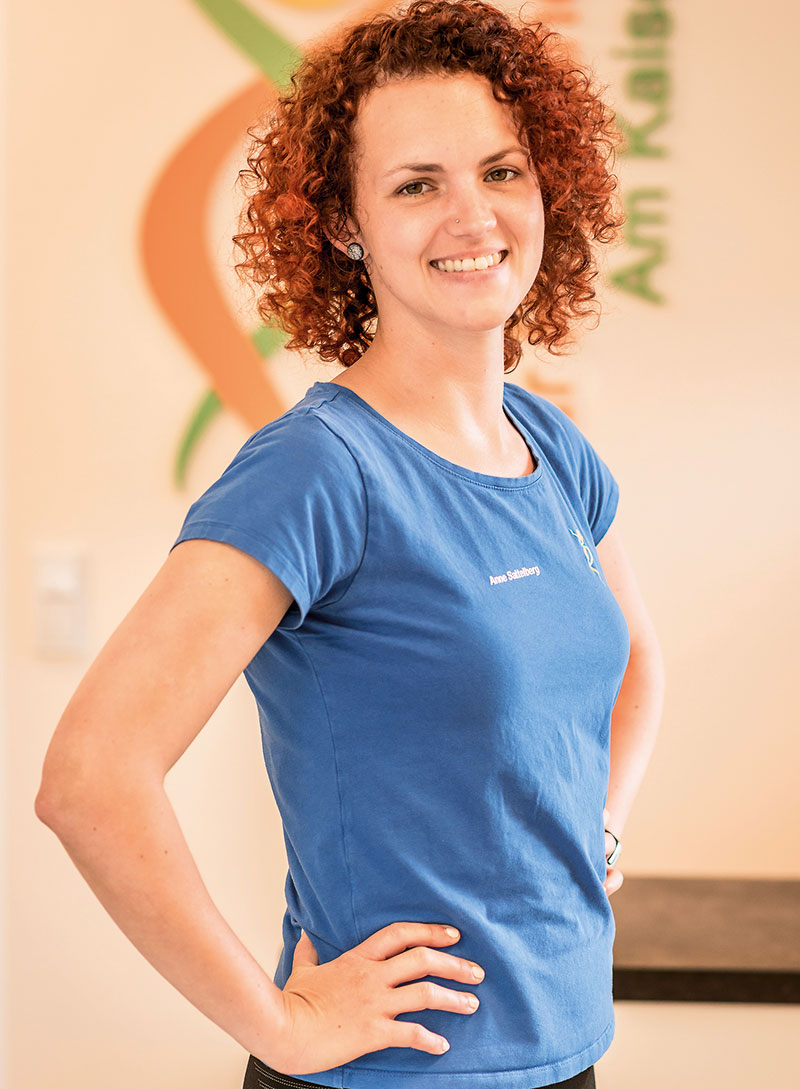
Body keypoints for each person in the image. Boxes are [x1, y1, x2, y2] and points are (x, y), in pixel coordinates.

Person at [35, 1, 665, 1088]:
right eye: (416, 185)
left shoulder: (550, 445)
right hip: (393, 1073)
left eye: (500, 171)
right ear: (342, 225)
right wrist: (278, 1025)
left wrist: (597, 832)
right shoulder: (320, 469)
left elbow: (634, 665)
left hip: (568, 1051)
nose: (471, 214)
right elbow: (90, 775)